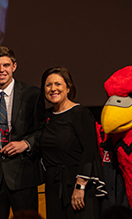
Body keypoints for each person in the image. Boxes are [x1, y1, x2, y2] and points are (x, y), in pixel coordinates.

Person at [0, 45, 44, 219]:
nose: (1, 70)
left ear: (14, 66)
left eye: (6, 65)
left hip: (22, 177)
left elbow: (43, 130)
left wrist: (26, 144)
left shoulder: (32, 94)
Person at [39, 66, 106, 219]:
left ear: (68, 88)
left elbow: (89, 151)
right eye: (48, 85)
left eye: (58, 84)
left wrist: (80, 186)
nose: (53, 89)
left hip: (78, 186)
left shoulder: (80, 113)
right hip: (54, 189)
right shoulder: (46, 117)